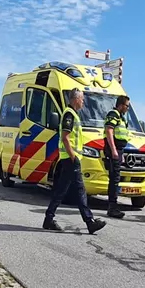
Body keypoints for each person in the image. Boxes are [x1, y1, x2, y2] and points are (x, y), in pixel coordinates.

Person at [43, 88, 106, 234]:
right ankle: (89, 221)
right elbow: (65, 137)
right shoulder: (69, 115)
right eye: (82, 99)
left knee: (61, 191)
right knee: (80, 190)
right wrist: (73, 157)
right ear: (75, 99)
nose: (83, 101)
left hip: (69, 158)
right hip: (70, 159)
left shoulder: (73, 114)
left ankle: (48, 219)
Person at [104, 95, 131, 219]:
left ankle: (113, 206)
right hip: (113, 150)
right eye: (127, 106)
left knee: (116, 178)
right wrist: (114, 151)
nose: (128, 108)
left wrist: (122, 153)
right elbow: (109, 131)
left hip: (119, 151)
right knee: (114, 179)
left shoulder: (122, 118)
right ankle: (112, 207)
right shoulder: (113, 114)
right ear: (121, 105)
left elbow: (122, 137)